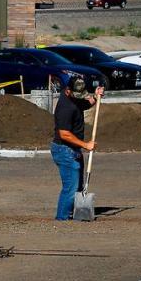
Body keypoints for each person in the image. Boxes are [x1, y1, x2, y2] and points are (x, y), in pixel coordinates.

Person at [50, 76, 104, 221]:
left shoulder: (73, 99)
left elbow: (85, 104)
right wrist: (85, 144)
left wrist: (95, 96)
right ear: (68, 91)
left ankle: (72, 214)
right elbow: (64, 134)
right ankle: (62, 218)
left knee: (78, 187)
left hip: (73, 150)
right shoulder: (65, 107)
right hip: (64, 150)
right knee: (71, 188)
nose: (79, 97)